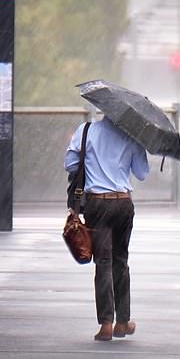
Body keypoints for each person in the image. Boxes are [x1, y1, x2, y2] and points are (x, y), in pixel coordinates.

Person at [64, 116, 149, 341]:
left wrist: (94, 163)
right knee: (121, 260)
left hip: (97, 203)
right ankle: (123, 321)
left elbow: (70, 164)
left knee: (103, 262)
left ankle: (106, 324)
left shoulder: (87, 130)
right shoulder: (132, 135)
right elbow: (141, 173)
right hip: (123, 202)